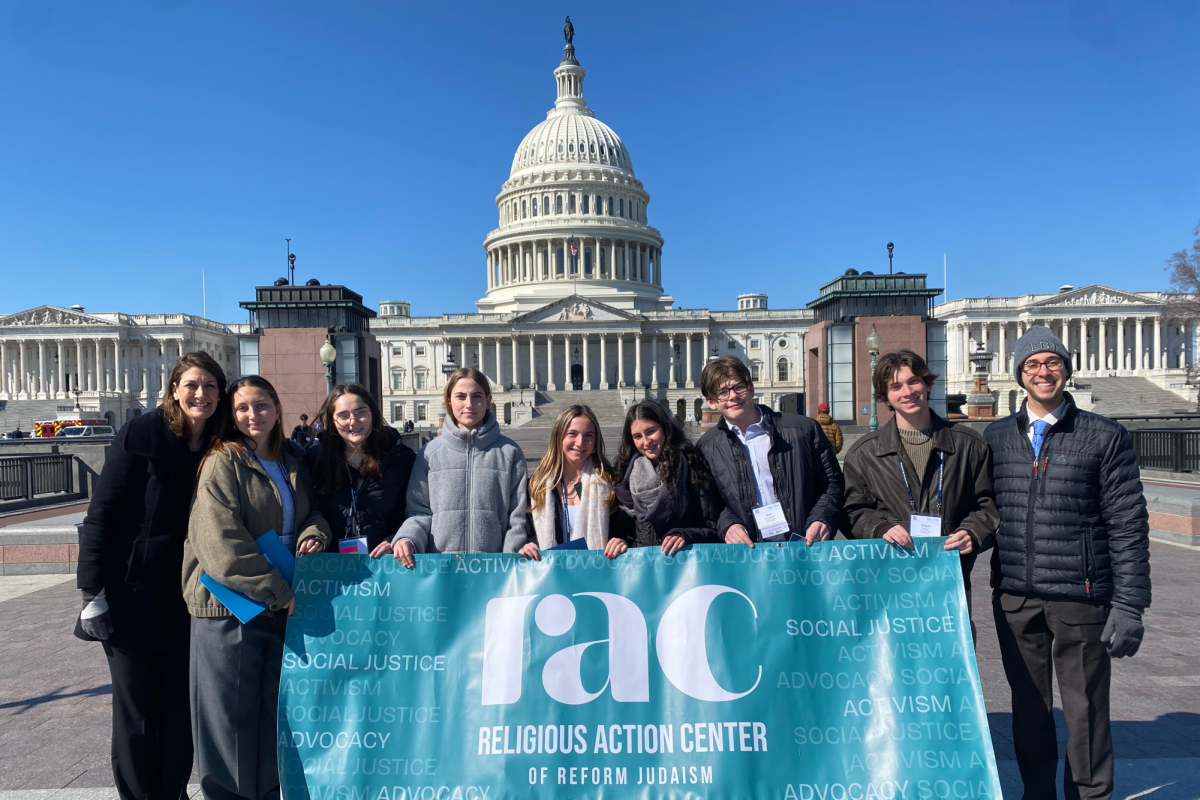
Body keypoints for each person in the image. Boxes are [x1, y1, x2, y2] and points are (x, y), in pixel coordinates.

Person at [985, 325, 1150, 800]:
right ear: (1019, 373)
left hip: (1082, 596)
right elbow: (973, 508)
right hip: (1016, 594)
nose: (1043, 371)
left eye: (1052, 362)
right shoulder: (996, 437)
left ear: (1066, 370)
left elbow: (1127, 522)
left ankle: (1089, 795)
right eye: (1033, 364)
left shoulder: (1103, 435)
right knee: (1030, 710)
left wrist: (1130, 604)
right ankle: (1037, 794)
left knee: (1086, 712)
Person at [75, 352, 226, 800]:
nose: (202, 394)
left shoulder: (221, 441)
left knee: (179, 710)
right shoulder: (142, 432)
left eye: (211, 386)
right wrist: (91, 592)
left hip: (189, 595)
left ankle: (172, 793)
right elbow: (102, 514)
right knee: (137, 712)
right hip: (131, 592)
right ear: (175, 389)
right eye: (193, 384)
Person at [183, 375, 332, 800]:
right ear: (232, 414)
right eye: (243, 407)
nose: (253, 415)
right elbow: (219, 542)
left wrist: (315, 534)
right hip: (229, 606)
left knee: (271, 715)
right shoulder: (222, 461)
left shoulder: (291, 459)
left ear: (277, 408)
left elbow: (312, 513)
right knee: (229, 722)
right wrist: (280, 593)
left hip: (277, 604)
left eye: (262, 405)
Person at [840, 349, 997, 616]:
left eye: (914, 381)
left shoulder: (968, 444)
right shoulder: (864, 452)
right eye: (896, 386)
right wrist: (879, 528)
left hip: (949, 574)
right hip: (890, 577)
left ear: (927, 384)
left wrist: (973, 533)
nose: (907, 391)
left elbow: (988, 505)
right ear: (885, 396)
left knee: (951, 654)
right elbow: (852, 512)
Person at [697, 357, 844, 547]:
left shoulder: (804, 429)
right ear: (711, 402)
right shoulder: (707, 447)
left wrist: (822, 518)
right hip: (750, 553)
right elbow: (710, 503)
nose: (733, 396)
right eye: (722, 392)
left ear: (751, 388)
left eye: (738, 387)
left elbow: (831, 482)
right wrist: (728, 525)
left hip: (806, 545)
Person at [392, 367, 529, 565]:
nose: (469, 404)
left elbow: (516, 517)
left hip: (493, 570)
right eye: (460, 396)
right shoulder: (429, 453)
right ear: (449, 401)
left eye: (477, 396)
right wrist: (408, 538)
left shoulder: (510, 452)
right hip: (442, 569)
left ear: (488, 400)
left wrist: (509, 563)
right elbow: (418, 511)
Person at [306, 383, 416, 557]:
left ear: (372, 414)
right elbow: (308, 509)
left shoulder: (401, 458)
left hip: (387, 563)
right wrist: (313, 535)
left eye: (360, 412)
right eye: (343, 415)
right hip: (331, 565)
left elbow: (413, 511)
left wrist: (397, 539)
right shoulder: (314, 459)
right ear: (333, 421)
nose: (353, 421)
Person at [610, 400, 720, 554]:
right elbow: (625, 527)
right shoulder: (625, 473)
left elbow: (713, 527)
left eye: (651, 431)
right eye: (637, 436)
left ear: (665, 428)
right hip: (644, 565)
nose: (646, 442)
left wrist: (686, 535)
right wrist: (620, 539)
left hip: (683, 565)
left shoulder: (692, 467)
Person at [526, 405, 622, 558]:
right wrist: (528, 545)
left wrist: (621, 541)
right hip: (551, 574)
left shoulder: (609, 482)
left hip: (596, 572)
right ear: (558, 437)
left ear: (596, 440)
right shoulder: (537, 485)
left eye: (588, 435)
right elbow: (528, 531)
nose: (580, 442)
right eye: (572, 434)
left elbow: (625, 529)